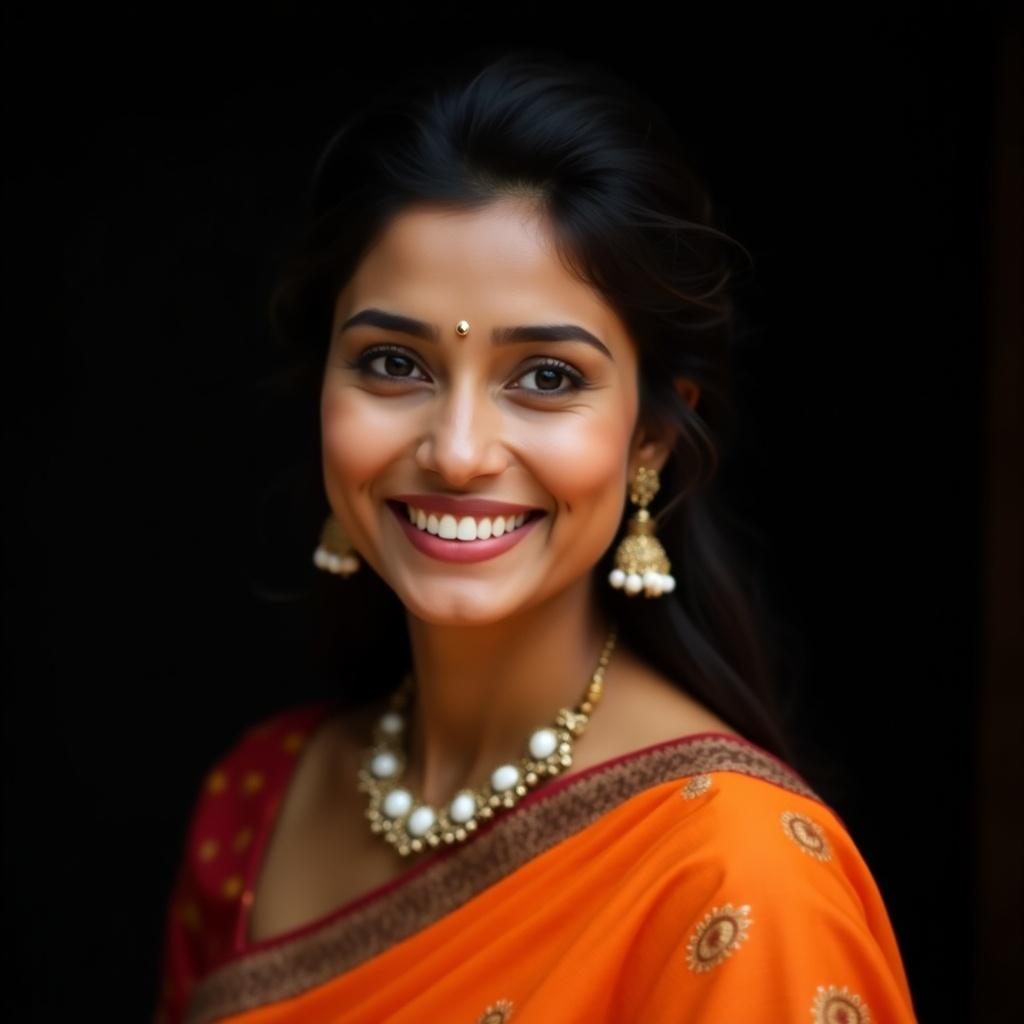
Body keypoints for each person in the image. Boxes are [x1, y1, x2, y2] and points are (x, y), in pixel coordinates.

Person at [151, 47, 919, 1024]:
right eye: (393, 362)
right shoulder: (257, 802)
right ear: (321, 395)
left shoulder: (733, 871)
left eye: (547, 377)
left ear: (648, 436)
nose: (459, 451)